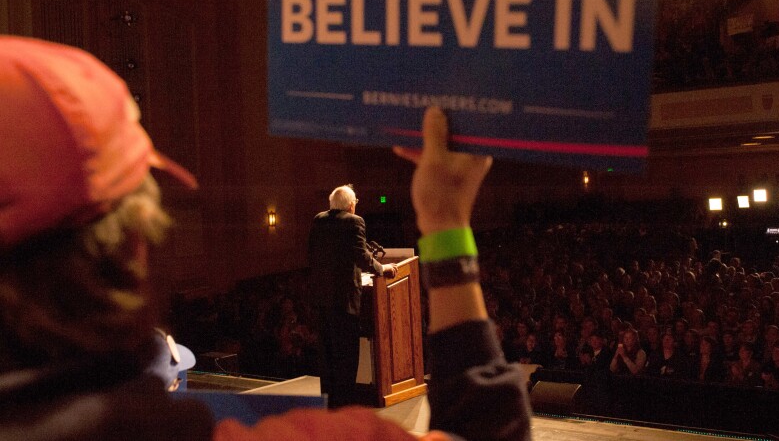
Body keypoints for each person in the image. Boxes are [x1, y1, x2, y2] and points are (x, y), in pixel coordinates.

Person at [0, 36, 531, 440]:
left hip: (327, 300)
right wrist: (445, 222)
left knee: (335, 364)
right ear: (132, 248)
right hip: (348, 301)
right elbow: (486, 429)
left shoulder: (320, 225)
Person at [307, 183, 398, 408]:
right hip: (345, 299)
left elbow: (312, 254)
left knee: (327, 355)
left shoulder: (318, 220)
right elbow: (362, 257)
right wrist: (382, 269)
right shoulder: (354, 221)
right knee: (346, 356)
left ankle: (329, 404)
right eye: (355, 202)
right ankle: (346, 405)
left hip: (322, 298)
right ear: (350, 205)